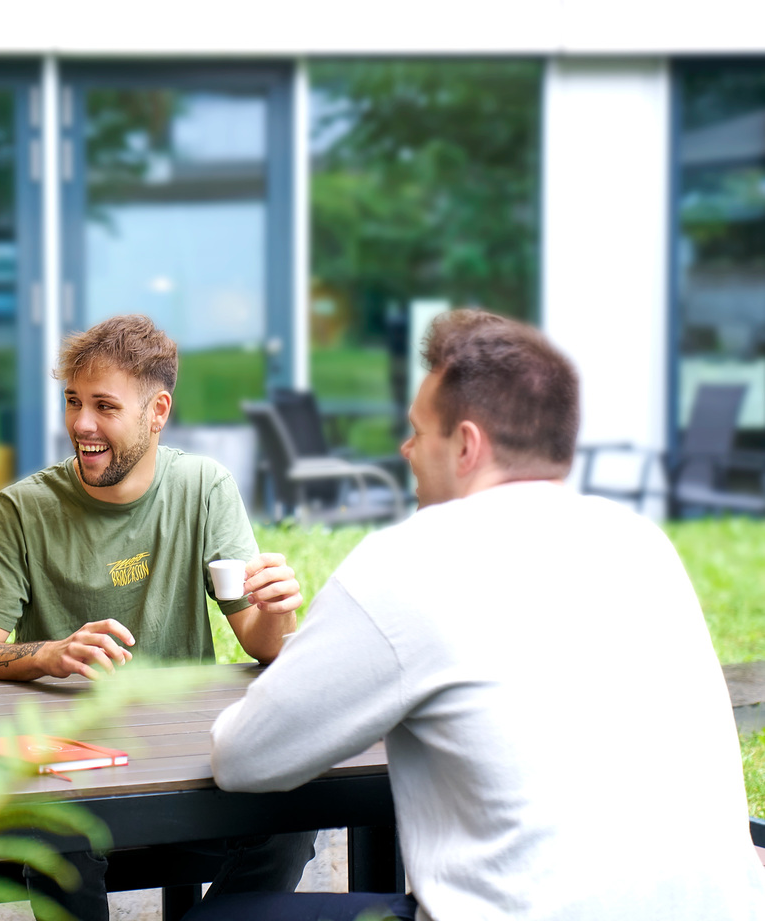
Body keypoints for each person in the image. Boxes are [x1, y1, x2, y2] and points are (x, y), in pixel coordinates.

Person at [199, 310, 765, 921]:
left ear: (466, 446)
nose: (405, 449)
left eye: (419, 432)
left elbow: (244, 759)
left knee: (219, 918)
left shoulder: (409, 560)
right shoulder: (641, 542)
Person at [0, 314, 316, 921]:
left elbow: (261, 642)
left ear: (157, 411)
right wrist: (48, 653)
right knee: (55, 835)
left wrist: (278, 612)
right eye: (72, 402)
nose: (81, 425)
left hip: (184, 758)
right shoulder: (23, 508)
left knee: (292, 821)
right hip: (71, 766)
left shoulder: (203, 488)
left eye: (103, 406)